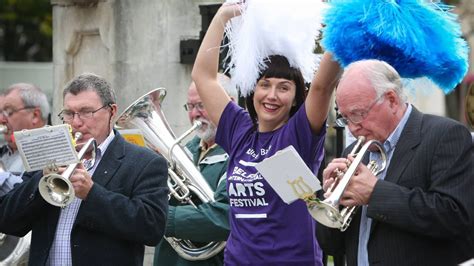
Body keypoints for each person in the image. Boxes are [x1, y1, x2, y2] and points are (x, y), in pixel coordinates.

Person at [191, 3, 341, 265]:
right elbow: (203, 77)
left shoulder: (299, 134)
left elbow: (322, 86)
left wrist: (343, 27)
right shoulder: (239, 129)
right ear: (253, 90)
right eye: (265, 85)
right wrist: (223, 17)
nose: (272, 95)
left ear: (295, 98)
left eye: (284, 87)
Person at [0, 73, 169, 266]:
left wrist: (92, 193)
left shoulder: (145, 162)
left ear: (112, 112)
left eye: (87, 112)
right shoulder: (50, 156)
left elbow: (151, 229)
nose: (76, 123)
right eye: (69, 114)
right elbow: (7, 220)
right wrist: (41, 182)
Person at [318, 59, 474, 266]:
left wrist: (375, 193)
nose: (352, 128)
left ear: (391, 100)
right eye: (345, 118)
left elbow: (454, 216)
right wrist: (332, 200)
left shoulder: (445, 135)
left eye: (358, 114)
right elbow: (331, 246)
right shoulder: (353, 152)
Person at [153, 73, 237, 266]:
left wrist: (159, 217)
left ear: (229, 104)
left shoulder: (240, 152)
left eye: (201, 105)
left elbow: (226, 217)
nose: (194, 114)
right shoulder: (183, 151)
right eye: (190, 107)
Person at [0, 83, 50, 195]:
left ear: (35, 116)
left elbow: (27, 197)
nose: (1, 119)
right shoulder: (4, 151)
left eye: (8, 112)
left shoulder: (50, 151)